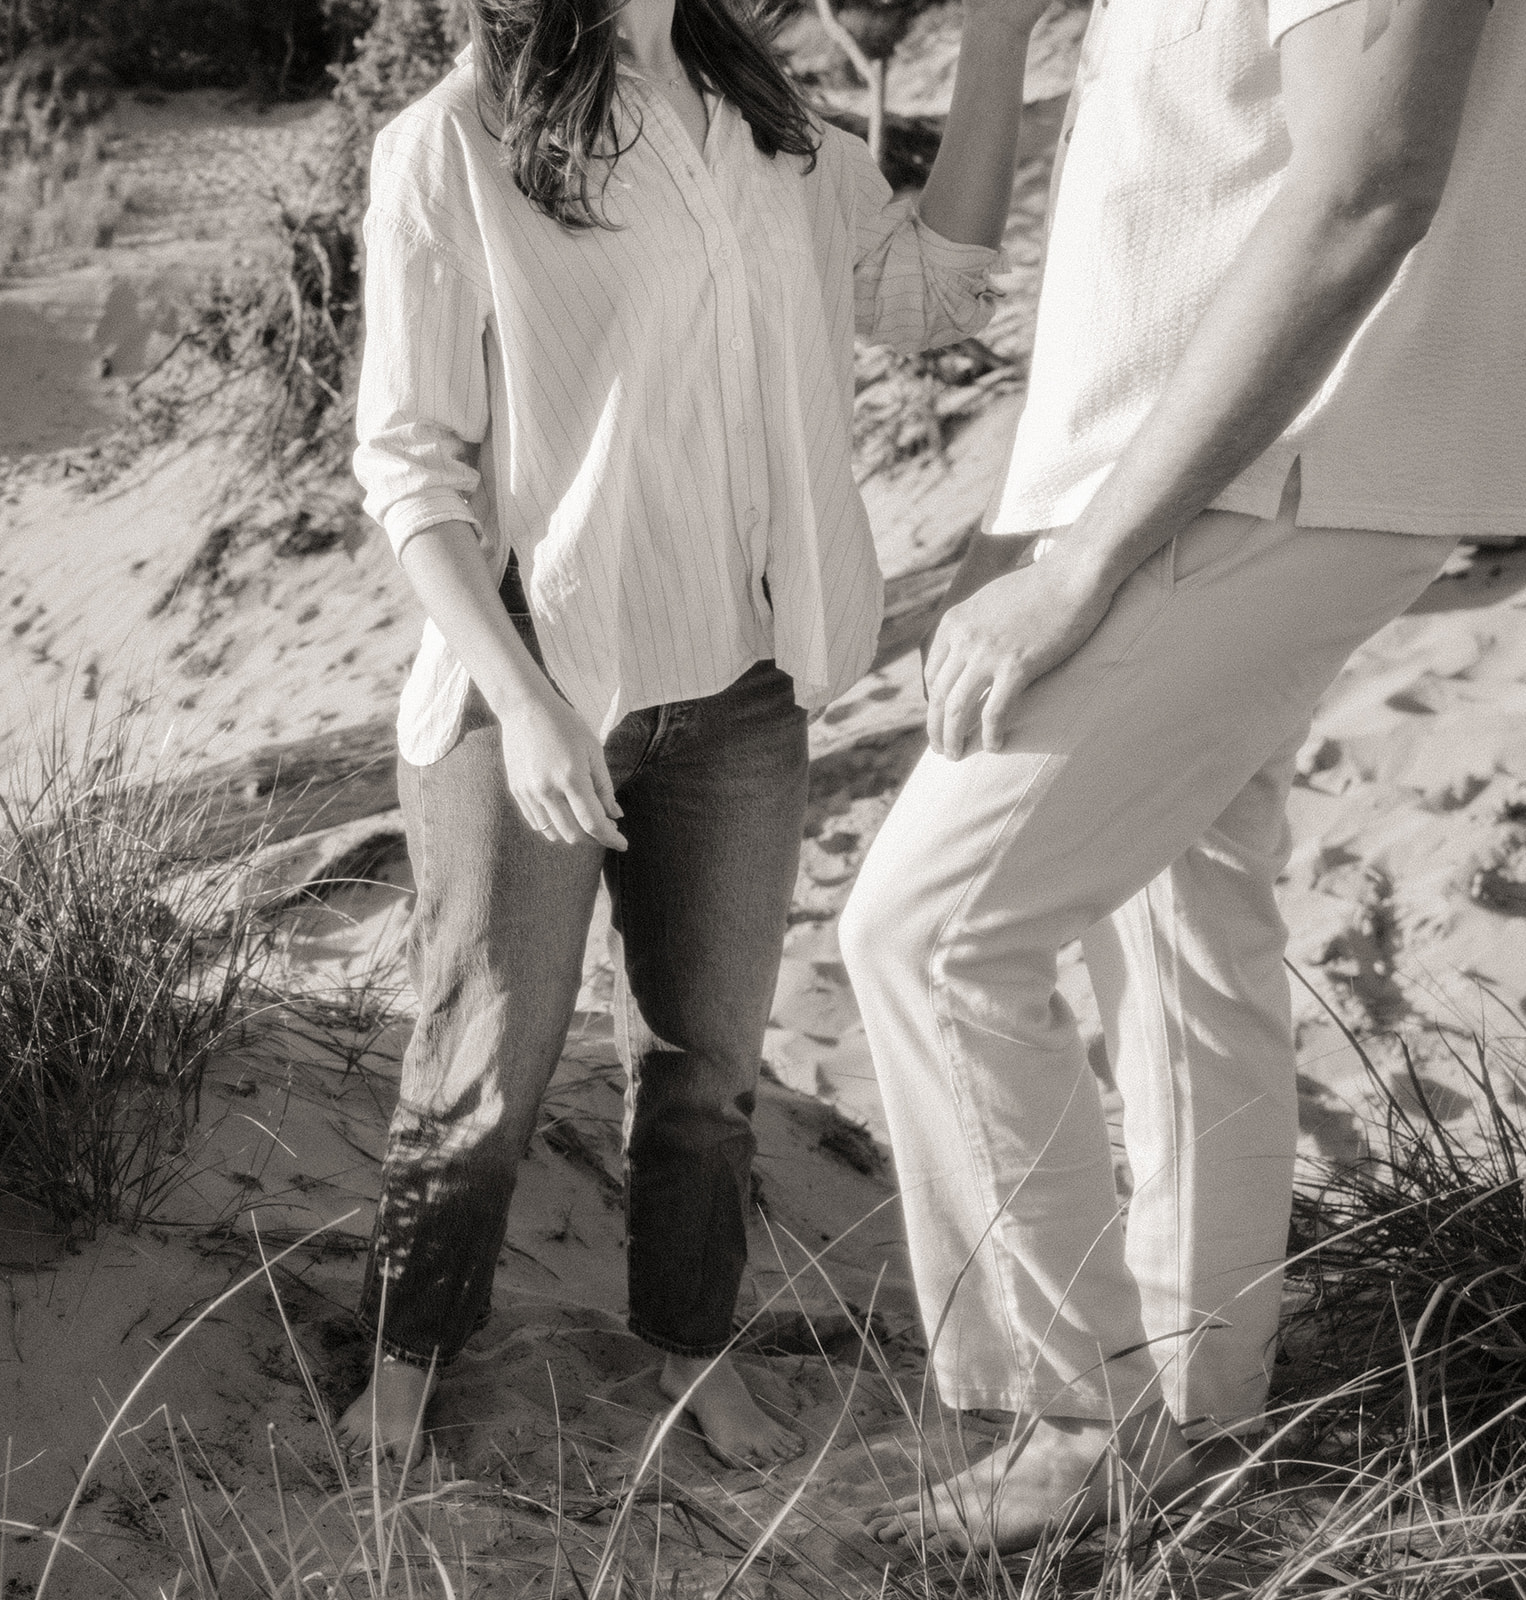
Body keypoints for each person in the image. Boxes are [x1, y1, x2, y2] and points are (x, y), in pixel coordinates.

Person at [841, 0, 1521, 1552]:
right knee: (1181, 918)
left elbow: (1372, 185)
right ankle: (1205, 1408)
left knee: (932, 932)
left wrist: (1082, 560)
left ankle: (1073, 1425)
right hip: (1214, 476)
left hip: (1266, 479)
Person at [337, 0, 1050, 1470]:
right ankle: (404, 1369)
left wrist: (996, 42)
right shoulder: (449, 145)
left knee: (706, 1077)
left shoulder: (761, 120)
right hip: (527, 689)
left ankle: (683, 1351)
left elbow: (930, 298)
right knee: (479, 1070)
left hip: (742, 696)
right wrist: (527, 708)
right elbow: (409, 466)